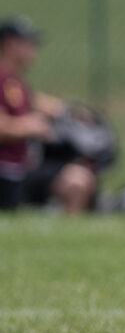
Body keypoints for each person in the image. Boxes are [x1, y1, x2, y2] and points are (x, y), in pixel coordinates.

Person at [0, 16, 97, 214]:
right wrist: (34, 126)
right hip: (5, 170)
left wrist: (72, 112)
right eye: (28, 43)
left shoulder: (16, 82)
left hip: (22, 168)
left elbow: (38, 102)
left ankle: (71, 238)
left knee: (78, 180)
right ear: (9, 44)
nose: (33, 49)